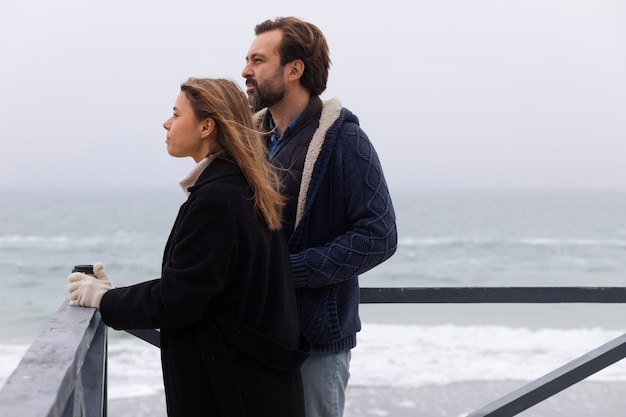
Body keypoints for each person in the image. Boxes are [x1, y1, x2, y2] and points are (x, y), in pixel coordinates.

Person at [67, 77, 310, 417]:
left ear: (206, 126)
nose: (166, 123)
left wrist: (104, 299)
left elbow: (178, 300)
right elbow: (200, 287)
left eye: (176, 114)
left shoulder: (216, 199)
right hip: (258, 386)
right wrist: (113, 295)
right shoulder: (245, 189)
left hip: (230, 393)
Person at [242, 16, 398, 417]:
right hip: (254, 334)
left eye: (258, 60)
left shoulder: (345, 140)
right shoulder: (248, 144)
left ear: (294, 69)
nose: (245, 71)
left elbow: (380, 235)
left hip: (315, 345)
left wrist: (285, 271)